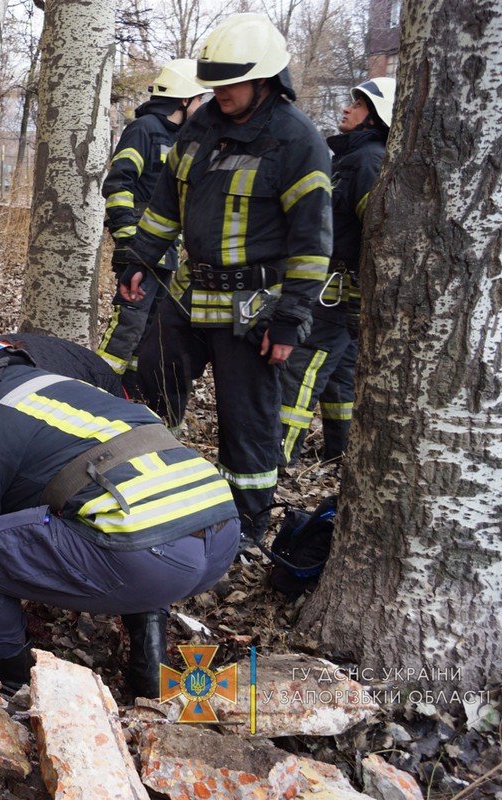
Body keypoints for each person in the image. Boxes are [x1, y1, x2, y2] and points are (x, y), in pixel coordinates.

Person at [0, 326, 240, 697]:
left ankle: (18, 680)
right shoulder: (58, 385)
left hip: (149, 558)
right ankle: (148, 673)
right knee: (127, 516)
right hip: (220, 530)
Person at [116, 13, 333, 542]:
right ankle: (152, 489)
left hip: (255, 306)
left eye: (230, 82)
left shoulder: (297, 140)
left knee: (248, 420)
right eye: (213, 83)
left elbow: (312, 242)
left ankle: (247, 527)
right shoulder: (202, 124)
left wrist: (290, 321)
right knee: (151, 379)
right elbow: (167, 202)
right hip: (191, 293)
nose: (219, 93)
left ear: (265, 79)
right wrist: (139, 258)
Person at [279, 78, 394, 465]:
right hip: (339, 291)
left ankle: (279, 454)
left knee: (300, 367)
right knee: (340, 377)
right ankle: (338, 453)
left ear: (377, 118)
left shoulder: (368, 161)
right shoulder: (351, 158)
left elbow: (378, 235)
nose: (347, 108)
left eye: (359, 104)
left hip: (337, 293)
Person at [97, 60, 209, 395]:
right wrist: (130, 243)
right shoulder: (144, 129)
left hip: (166, 255)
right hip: (141, 252)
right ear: (184, 100)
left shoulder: (182, 139)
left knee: (148, 333)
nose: (202, 107)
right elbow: (119, 184)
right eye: (199, 100)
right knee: (127, 329)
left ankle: (128, 397)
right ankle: (96, 392)